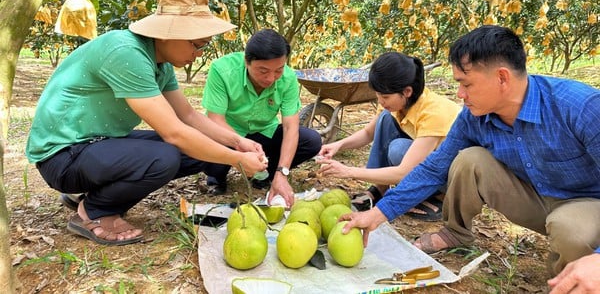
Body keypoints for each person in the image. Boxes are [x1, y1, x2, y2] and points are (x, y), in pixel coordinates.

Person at [338, 25, 600, 277]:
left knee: (569, 230)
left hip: (585, 203)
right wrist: (379, 213)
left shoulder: (579, 107)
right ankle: (457, 231)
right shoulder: (473, 117)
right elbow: (433, 168)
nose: (460, 94)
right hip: (534, 197)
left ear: (502, 78)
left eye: (467, 84)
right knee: (469, 159)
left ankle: (573, 280)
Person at [25, 0, 268, 246]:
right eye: (197, 44)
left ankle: (92, 195)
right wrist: (237, 160)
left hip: (95, 146)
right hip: (62, 155)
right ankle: (93, 210)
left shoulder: (160, 65)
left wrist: (237, 142)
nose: (198, 54)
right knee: (165, 155)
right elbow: (174, 133)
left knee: (202, 150)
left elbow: (188, 117)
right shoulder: (126, 52)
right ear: (168, 33)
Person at [316, 52, 460, 221]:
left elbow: (403, 172)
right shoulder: (394, 104)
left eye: (385, 97)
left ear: (407, 91)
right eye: (378, 96)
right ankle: (380, 188)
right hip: (430, 160)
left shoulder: (434, 112)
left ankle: (441, 198)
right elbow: (368, 133)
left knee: (398, 150)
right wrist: (338, 145)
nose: (381, 101)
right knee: (385, 118)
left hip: (455, 174)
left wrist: (348, 171)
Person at [201, 29, 322, 207]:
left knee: (311, 140)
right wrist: (240, 144)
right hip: (228, 133)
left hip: (264, 134)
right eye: (263, 71)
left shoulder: (288, 79)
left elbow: (290, 128)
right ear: (246, 61)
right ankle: (217, 176)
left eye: (278, 70)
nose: (271, 78)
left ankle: (268, 174)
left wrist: (283, 172)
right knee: (206, 151)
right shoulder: (222, 70)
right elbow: (215, 119)